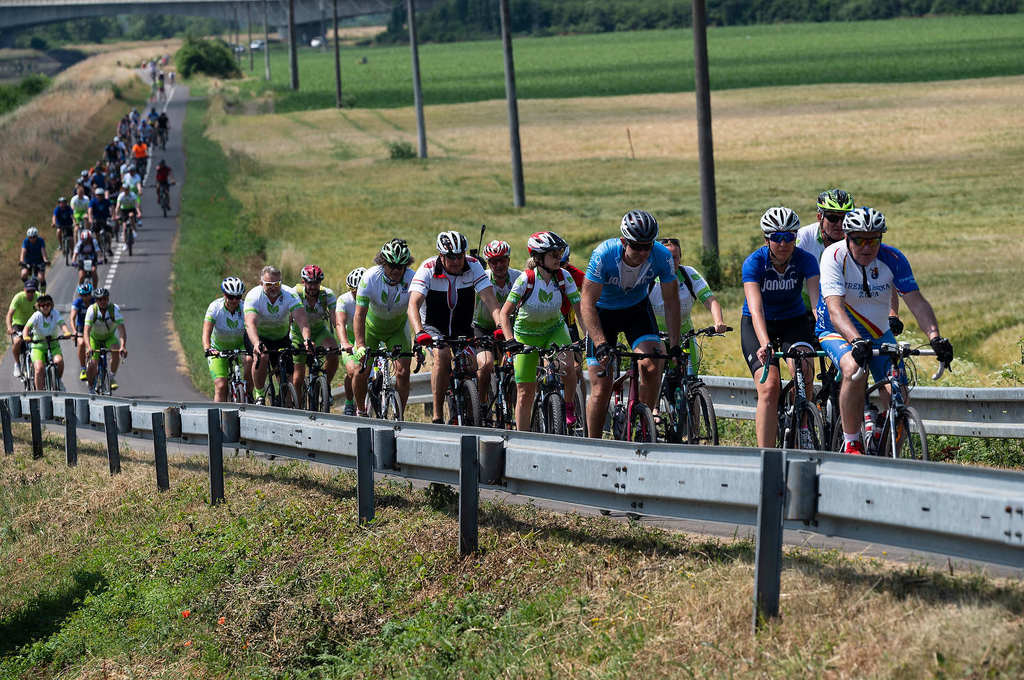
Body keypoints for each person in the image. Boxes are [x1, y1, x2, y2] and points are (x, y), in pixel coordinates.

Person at [816, 207, 953, 455]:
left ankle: (890, 456)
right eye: (859, 239)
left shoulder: (893, 258)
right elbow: (835, 309)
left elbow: (916, 301)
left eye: (874, 239)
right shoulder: (833, 256)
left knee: (898, 391)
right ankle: (852, 442)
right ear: (847, 237)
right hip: (835, 329)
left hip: (878, 332)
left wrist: (935, 337)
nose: (867, 246)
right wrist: (855, 341)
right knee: (853, 369)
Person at [580, 210, 680, 439]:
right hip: (602, 314)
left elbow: (671, 301)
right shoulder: (604, 254)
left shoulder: (661, 256)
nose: (644, 252)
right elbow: (586, 302)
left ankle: (643, 424)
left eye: (648, 246)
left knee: (654, 362)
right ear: (624, 242)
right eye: (637, 246)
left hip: (636, 310)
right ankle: (592, 444)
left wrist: (674, 344)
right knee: (601, 386)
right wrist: (600, 342)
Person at [740, 207, 820, 449]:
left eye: (789, 237)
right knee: (769, 386)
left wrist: (824, 332)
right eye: (777, 237)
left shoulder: (805, 259)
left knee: (804, 368)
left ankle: (803, 428)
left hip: (793, 321)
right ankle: (766, 454)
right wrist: (765, 343)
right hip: (758, 324)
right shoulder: (754, 263)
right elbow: (756, 310)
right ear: (767, 239)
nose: (784, 243)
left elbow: (817, 303)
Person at [407, 231, 501, 423]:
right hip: (434, 327)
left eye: (460, 255)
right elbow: (413, 305)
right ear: (441, 255)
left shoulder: (473, 265)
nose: (457, 261)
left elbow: (490, 299)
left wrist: (500, 326)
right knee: (442, 356)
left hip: (463, 327)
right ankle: (437, 414)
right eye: (451, 257)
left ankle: (478, 407)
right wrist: (419, 333)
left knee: (479, 364)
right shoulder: (427, 268)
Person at [500, 232, 582, 431]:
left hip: (554, 329)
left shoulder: (564, 277)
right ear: (538, 258)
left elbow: (580, 310)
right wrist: (511, 340)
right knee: (525, 393)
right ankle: (522, 438)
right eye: (553, 255)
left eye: (560, 254)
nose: (558, 259)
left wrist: (587, 337)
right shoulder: (525, 279)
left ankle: (569, 406)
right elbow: (504, 314)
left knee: (569, 367)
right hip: (526, 334)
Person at [352, 239, 416, 416]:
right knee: (360, 370)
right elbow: (359, 314)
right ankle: (361, 410)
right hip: (371, 329)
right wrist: (360, 344)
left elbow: (420, 310)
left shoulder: (412, 278)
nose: (396, 270)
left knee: (403, 373)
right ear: (382, 262)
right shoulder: (370, 277)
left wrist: (420, 338)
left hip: (397, 330)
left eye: (400, 266)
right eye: (391, 265)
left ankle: (399, 415)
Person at [649, 237, 728, 375]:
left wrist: (719, 321)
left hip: (685, 338)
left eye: (674, 257)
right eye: (666, 257)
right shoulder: (648, 277)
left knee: (691, 379)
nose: (671, 262)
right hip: (656, 337)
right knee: (655, 378)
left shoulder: (688, 274)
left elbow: (711, 300)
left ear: (680, 258)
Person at [243, 265, 312, 404]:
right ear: (261, 283)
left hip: (281, 338)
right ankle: (260, 394)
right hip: (259, 336)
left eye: (277, 284)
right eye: (269, 284)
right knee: (262, 355)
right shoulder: (254, 296)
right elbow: (250, 324)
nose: (273, 287)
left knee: (287, 379)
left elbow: (302, 320)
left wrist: (307, 340)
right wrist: (256, 343)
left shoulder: (290, 294)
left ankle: (285, 403)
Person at [473, 240, 522, 409]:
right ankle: (481, 403)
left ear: (509, 259)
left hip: (510, 328)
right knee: (486, 364)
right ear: (488, 263)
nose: (499, 265)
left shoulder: (518, 278)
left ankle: (510, 407)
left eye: (502, 260)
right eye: (494, 261)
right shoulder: (482, 278)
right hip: (483, 328)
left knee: (514, 366)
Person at [290, 265, 339, 404]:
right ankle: (299, 408)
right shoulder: (295, 293)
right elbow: (288, 316)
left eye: (316, 283)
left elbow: (336, 320)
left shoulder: (327, 295)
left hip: (319, 332)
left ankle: (325, 385)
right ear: (303, 281)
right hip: (298, 334)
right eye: (309, 283)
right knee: (298, 379)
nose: (313, 286)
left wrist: (343, 339)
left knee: (333, 352)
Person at [203, 277, 251, 402]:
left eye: (238, 297)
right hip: (218, 349)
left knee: (250, 360)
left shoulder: (245, 307)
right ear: (224, 295)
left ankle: (249, 393)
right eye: (231, 297)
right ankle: (218, 418)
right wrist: (208, 348)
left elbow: (254, 327)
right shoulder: (215, 308)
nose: (234, 300)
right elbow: (206, 333)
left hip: (240, 345)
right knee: (221, 385)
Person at [22, 294, 72, 389]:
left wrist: (67, 332)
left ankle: (58, 380)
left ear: (51, 305)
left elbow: (62, 324)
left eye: (48, 305)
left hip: (53, 345)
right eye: (42, 305)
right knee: (39, 368)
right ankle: (40, 394)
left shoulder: (55, 313)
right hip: (38, 346)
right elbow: (26, 327)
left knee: (59, 361)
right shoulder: (36, 315)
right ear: (38, 307)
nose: (45, 307)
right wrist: (26, 336)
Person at [84, 287, 127, 392]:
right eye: (100, 299)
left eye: (105, 299)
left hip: (109, 337)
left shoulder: (114, 309)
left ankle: (111, 377)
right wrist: (89, 347)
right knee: (92, 364)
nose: (103, 301)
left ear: (108, 299)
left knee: (116, 349)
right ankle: (90, 387)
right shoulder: (91, 310)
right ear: (96, 300)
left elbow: (122, 330)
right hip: (94, 338)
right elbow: (86, 332)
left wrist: (123, 346)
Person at [335, 267, 365, 414]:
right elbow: (340, 323)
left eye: (359, 290)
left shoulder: (371, 298)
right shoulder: (344, 300)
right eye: (353, 290)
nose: (356, 293)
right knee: (353, 371)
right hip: (351, 340)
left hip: (368, 337)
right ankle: (349, 402)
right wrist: (345, 342)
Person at [7, 278, 40, 379]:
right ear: (24, 290)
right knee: (17, 341)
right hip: (19, 324)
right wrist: (9, 328)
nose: (31, 294)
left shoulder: (38, 297)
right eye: (28, 291)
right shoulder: (18, 297)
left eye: (33, 291)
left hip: (32, 324)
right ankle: (17, 364)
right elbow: (9, 315)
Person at [559, 244, 586, 342]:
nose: (559, 268)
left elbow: (591, 288)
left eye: (562, 264)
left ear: (568, 261)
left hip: (567, 318)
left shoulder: (573, 273)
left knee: (576, 350)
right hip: (547, 318)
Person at [69, 283, 94, 381]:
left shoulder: (95, 301)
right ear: (80, 295)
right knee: (81, 343)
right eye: (83, 295)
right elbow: (72, 318)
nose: (86, 297)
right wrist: (74, 331)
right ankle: (83, 369)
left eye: (88, 294)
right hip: (81, 327)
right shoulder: (77, 302)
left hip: (93, 326)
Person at [20, 227, 49, 292]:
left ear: (37, 236)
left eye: (34, 237)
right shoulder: (26, 241)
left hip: (39, 261)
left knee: (41, 278)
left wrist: (45, 260)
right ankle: (28, 286)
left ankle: (43, 293)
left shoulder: (40, 241)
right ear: (28, 237)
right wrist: (21, 261)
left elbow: (43, 251)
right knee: (23, 274)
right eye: (30, 237)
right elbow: (23, 251)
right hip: (28, 262)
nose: (32, 239)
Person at [88, 188, 114, 255]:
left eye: (101, 195)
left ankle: (109, 248)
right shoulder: (93, 201)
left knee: (109, 234)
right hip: (96, 220)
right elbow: (90, 210)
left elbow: (111, 208)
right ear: (95, 195)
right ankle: (98, 247)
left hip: (105, 219)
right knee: (96, 234)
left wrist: (112, 215)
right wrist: (90, 219)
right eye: (98, 195)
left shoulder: (106, 201)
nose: (99, 197)